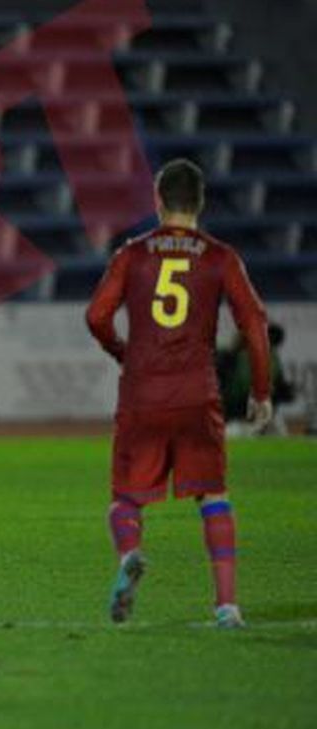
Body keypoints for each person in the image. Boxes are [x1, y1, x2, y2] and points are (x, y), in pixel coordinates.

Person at [85, 158, 272, 628]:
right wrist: (261, 391)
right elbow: (254, 322)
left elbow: (96, 316)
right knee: (213, 496)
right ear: (200, 202)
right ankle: (227, 606)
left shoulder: (132, 254)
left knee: (126, 499)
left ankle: (130, 554)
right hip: (197, 394)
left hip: (142, 393)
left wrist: (122, 351)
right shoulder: (220, 256)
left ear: (158, 200)